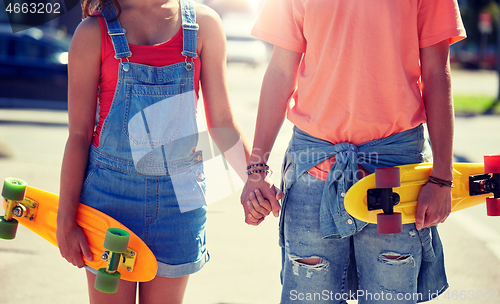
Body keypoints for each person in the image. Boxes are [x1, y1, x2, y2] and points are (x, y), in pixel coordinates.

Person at [241, 0, 466, 303]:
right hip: (314, 177)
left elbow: (437, 73)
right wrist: (256, 171)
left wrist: (442, 178)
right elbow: (281, 71)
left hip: (393, 179)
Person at [56, 0, 252, 303]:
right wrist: (65, 221)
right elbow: (79, 136)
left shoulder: (204, 25)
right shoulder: (92, 32)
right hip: (109, 201)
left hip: (179, 206)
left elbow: (223, 122)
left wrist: (256, 177)